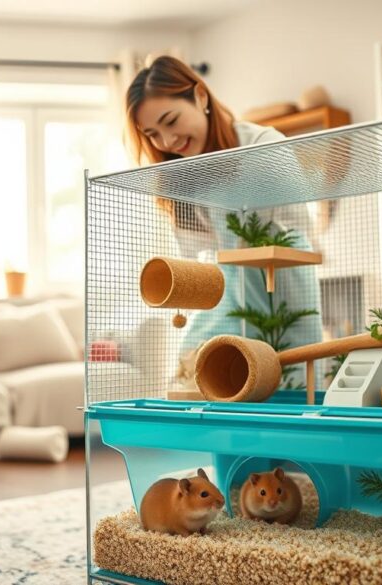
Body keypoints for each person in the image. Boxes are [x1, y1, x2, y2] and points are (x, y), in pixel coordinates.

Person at [123, 55, 322, 391]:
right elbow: (197, 259)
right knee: (202, 377)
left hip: (282, 286)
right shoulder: (179, 176)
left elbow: (295, 232)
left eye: (171, 121)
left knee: (287, 387)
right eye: (153, 134)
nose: (168, 142)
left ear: (200, 96)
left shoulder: (262, 146)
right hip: (227, 292)